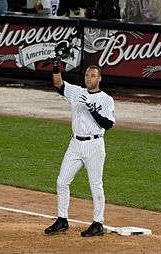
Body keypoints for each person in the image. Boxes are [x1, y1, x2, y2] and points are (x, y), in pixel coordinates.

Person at [44, 58, 115, 237]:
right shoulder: (76, 92)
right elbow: (58, 84)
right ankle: (62, 219)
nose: (89, 78)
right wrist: (55, 67)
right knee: (62, 181)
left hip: (95, 145)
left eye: (93, 76)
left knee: (95, 185)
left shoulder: (106, 99)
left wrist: (92, 109)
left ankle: (98, 223)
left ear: (99, 79)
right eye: (87, 75)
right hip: (75, 144)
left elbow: (108, 124)